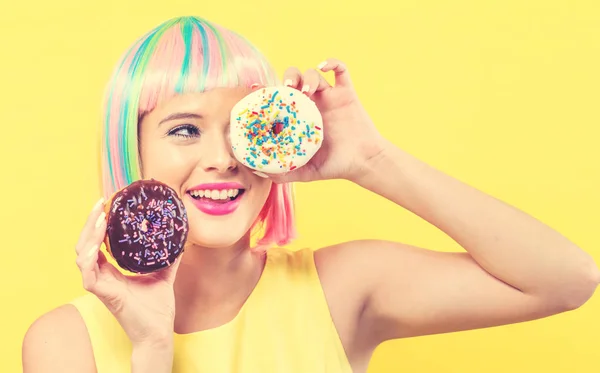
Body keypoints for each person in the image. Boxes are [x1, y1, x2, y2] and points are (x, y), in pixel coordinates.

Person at [22, 16, 599, 373]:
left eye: (244, 126)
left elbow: (567, 280)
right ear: (134, 150)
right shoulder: (66, 343)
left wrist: (373, 160)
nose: (223, 158)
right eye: (184, 129)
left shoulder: (342, 290)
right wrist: (151, 352)